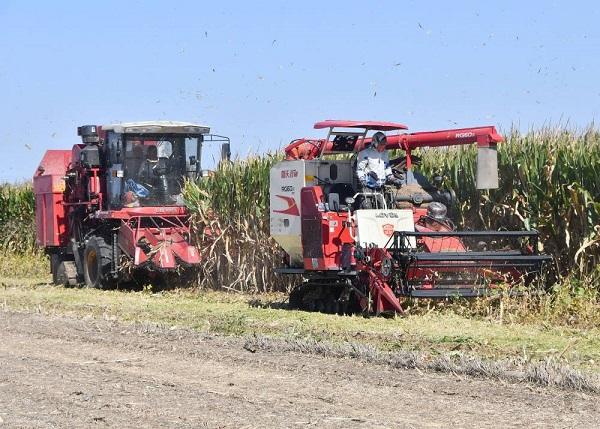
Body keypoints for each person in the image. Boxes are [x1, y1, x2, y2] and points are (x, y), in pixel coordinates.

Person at [356, 132, 402, 208]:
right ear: (375, 143)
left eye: (384, 145)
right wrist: (362, 180)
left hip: (381, 187)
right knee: (367, 208)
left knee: (383, 208)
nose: (383, 147)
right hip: (368, 187)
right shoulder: (365, 153)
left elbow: (387, 168)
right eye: (381, 144)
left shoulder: (385, 153)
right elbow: (360, 170)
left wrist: (392, 179)